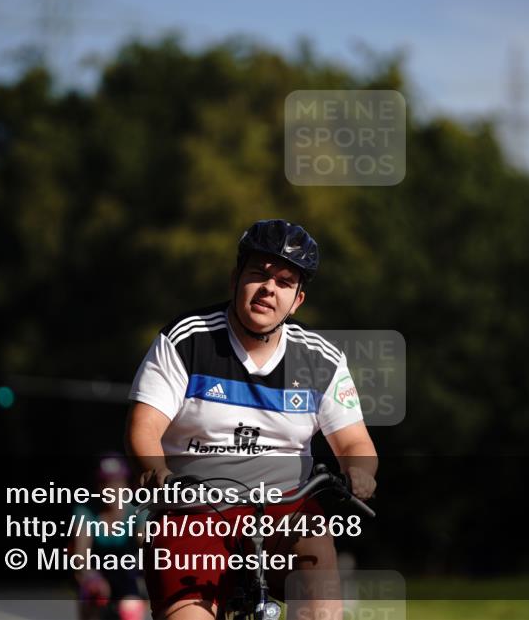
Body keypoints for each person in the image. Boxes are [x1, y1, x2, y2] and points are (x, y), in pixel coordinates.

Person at [125, 219, 378, 620]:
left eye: (283, 281)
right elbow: (144, 428)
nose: (268, 288)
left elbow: (355, 445)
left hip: (286, 511)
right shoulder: (185, 339)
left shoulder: (321, 358)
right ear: (235, 279)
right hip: (196, 510)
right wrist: (156, 470)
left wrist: (359, 472)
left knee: (318, 567)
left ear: (297, 301)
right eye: (258, 274)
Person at [72, 454, 150, 620]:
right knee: (92, 596)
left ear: (126, 485)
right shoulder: (86, 511)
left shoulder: (136, 511)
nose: (112, 489)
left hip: (128, 575)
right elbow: (80, 556)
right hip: (97, 576)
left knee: (131, 608)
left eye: (117, 483)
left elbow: (145, 545)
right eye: (105, 483)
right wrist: (92, 577)